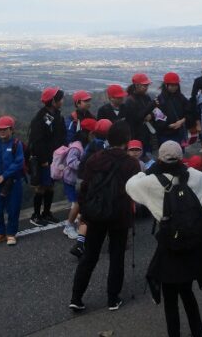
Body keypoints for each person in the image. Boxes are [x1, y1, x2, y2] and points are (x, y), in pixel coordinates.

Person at [126, 141, 202, 337]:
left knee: (170, 299)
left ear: (160, 157)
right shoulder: (192, 176)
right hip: (191, 241)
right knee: (187, 292)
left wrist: (144, 173)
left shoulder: (151, 181)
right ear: (180, 157)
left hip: (169, 244)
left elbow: (130, 186)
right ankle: (197, 332)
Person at [70, 120, 140, 312]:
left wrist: (85, 212)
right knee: (117, 256)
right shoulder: (132, 163)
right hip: (119, 215)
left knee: (90, 256)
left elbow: (84, 188)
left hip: (96, 214)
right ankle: (112, 299)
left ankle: (76, 297)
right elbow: (134, 191)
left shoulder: (95, 159)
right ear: (127, 140)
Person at [70, 118, 113, 259]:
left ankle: (80, 243)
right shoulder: (103, 147)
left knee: (85, 212)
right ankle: (99, 242)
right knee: (99, 211)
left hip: (81, 181)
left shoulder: (91, 144)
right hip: (92, 183)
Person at [0, 116, 25, 245]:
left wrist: (5, 175)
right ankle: (0, 233)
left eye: (4, 129)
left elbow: (19, 162)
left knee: (13, 207)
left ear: (11, 129)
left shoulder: (16, 144)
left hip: (13, 181)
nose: (1, 132)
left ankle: (11, 233)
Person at [28, 87, 65, 226]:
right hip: (44, 159)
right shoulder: (42, 117)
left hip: (53, 158)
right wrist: (43, 160)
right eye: (60, 99)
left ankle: (47, 213)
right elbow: (37, 140)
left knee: (50, 186)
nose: (62, 101)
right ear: (53, 101)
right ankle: (36, 215)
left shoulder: (52, 115)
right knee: (41, 187)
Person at [62, 118, 95, 240]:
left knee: (81, 203)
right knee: (76, 204)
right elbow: (71, 162)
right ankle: (68, 226)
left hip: (77, 180)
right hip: (71, 180)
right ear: (89, 133)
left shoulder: (85, 145)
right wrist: (85, 165)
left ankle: (79, 225)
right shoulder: (77, 146)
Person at [155, 72, 193, 148]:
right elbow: (158, 118)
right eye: (172, 85)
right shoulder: (159, 99)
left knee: (179, 155)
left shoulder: (181, 97)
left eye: (176, 85)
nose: (174, 87)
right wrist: (169, 126)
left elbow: (190, 110)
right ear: (166, 85)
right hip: (165, 134)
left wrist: (182, 121)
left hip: (179, 133)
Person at [124, 73, 156, 155]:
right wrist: (152, 106)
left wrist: (151, 115)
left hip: (147, 136)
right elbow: (136, 118)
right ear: (137, 85)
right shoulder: (130, 101)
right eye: (144, 85)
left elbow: (152, 112)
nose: (146, 88)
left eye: (147, 85)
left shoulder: (146, 97)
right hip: (136, 136)